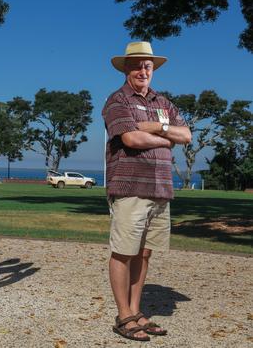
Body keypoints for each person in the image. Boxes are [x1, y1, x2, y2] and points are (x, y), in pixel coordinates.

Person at [102, 42, 192, 341]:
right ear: (126, 68)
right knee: (124, 252)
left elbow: (186, 135)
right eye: (137, 65)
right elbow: (131, 139)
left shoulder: (163, 102)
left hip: (160, 189)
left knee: (144, 252)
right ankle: (124, 315)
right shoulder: (118, 101)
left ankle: (136, 310)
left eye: (148, 66)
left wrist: (156, 129)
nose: (143, 70)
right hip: (130, 188)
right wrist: (167, 138)